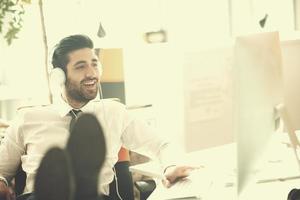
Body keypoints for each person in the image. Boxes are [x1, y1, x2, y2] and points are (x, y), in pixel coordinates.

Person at [0, 34, 194, 200]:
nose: (91, 73)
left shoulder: (112, 112)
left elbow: (162, 145)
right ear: (58, 76)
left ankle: (80, 185)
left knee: (88, 192)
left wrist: (170, 166)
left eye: (94, 64)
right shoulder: (28, 118)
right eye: (80, 66)